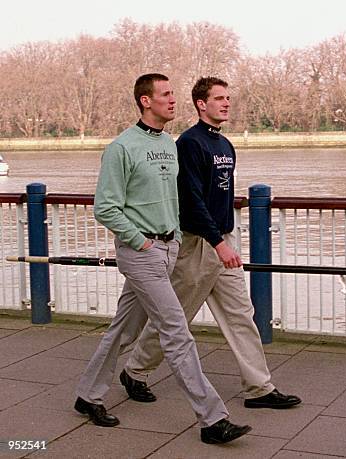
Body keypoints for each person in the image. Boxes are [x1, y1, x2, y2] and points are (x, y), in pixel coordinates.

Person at [74, 73, 251, 445]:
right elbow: (105, 208)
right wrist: (140, 242)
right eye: (166, 94)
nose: (173, 100)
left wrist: (170, 241)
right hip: (142, 254)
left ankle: (88, 395)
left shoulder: (170, 145)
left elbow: (180, 199)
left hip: (168, 250)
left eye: (173, 94)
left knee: (122, 330)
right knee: (177, 333)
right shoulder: (121, 148)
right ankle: (212, 419)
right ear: (145, 100)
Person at [121, 76, 301, 410]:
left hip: (223, 242)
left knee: (241, 315)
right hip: (199, 245)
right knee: (177, 317)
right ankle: (135, 370)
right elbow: (190, 201)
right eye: (219, 98)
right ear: (201, 104)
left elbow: (222, 195)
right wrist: (218, 242)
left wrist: (226, 237)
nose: (226, 103)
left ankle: (259, 388)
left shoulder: (225, 144)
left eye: (228, 98)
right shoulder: (190, 143)